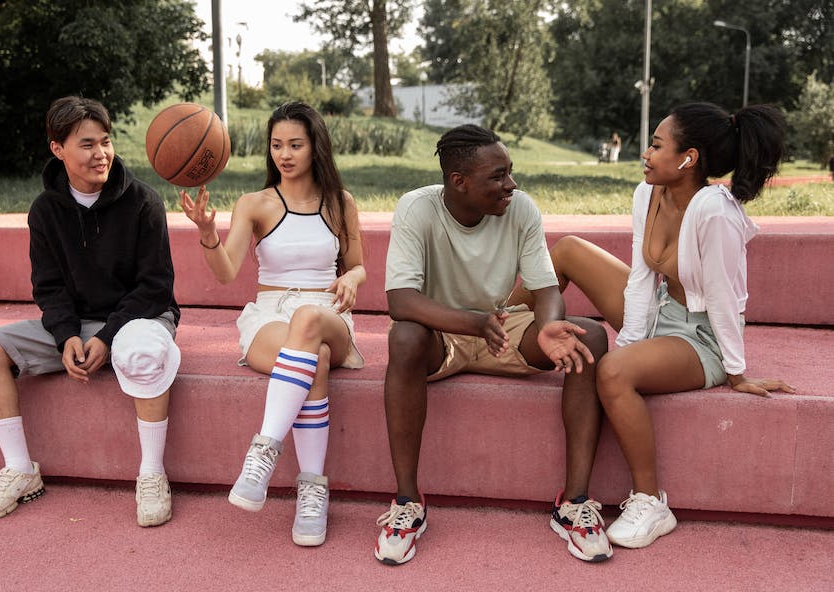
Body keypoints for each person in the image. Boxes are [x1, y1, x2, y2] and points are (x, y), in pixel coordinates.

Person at [525, 102, 795, 549]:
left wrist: (736, 370)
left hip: (700, 336)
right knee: (569, 249)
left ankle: (651, 502)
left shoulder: (716, 212)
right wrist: (631, 343)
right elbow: (640, 276)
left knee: (612, 372)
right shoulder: (646, 193)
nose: (645, 154)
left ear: (688, 158)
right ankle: (497, 319)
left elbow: (726, 298)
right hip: (657, 312)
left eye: (655, 145)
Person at [375, 124, 612, 565]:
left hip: (503, 328)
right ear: (458, 181)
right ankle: (407, 503)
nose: (511, 184)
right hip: (443, 331)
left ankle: (574, 504)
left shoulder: (520, 208)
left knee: (590, 337)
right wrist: (471, 322)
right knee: (403, 338)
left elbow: (545, 290)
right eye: (498, 176)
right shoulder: (417, 208)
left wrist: (547, 327)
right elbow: (400, 301)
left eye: (511, 173)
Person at [0, 96, 181, 527]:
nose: (101, 153)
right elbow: (48, 287)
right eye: (86, 144)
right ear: (57, 149)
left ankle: (152, 474)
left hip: (140, 319)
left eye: (105, 142)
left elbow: (155, 288)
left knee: (140, 351)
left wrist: (105, 337)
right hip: (78, 324)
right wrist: (67, 335)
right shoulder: (45, 210)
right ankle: (20, 471)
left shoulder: (144, 201)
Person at [180, 101, 365, 547]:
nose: (284, 154)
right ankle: (312, 493)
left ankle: (262, 450)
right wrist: (208, 233)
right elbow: (226, 272)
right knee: (313, 360)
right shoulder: (254, 204)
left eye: (295, 145)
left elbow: (358, 267)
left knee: (310, 323)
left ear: (315, 146)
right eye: (276, 144)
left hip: (329, 314)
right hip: (270, 316)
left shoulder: (341, 203)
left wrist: (352, 278)